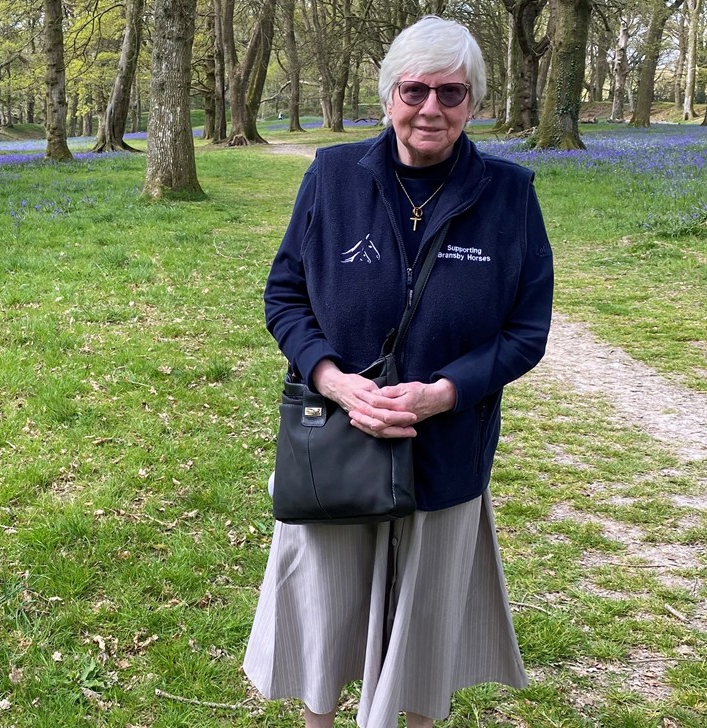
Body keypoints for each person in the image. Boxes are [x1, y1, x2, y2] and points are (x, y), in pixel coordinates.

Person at [243, 16, 554, 728]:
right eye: (416, 90)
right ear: (389, 96)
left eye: (452, 93)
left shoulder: (509, 195)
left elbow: (526, 332)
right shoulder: (332, 177)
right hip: (336, 445)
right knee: (323, 623)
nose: (431, 108)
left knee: (422, 642)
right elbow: (285, 296)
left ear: (473, 103)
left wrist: (445, 393)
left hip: (446, 450)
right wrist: (333, 381)